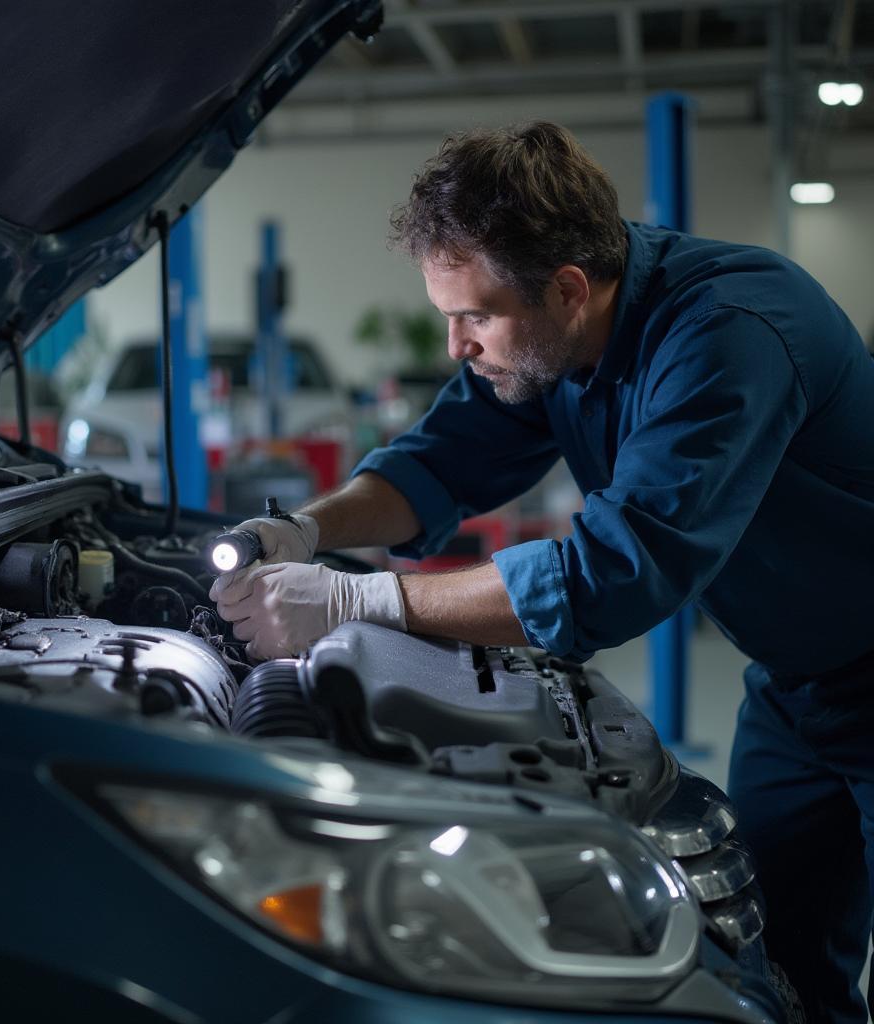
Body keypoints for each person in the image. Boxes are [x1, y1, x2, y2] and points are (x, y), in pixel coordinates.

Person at [210, 121, 874, 1022]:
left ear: (566, 289)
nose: (456, 345)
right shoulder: (554, 342)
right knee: (774, 968)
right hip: (794, 686)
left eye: (473, 316)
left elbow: (615, 571)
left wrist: (355, 599)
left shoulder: (729, 332)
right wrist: (301, 530)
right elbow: (440, 461)